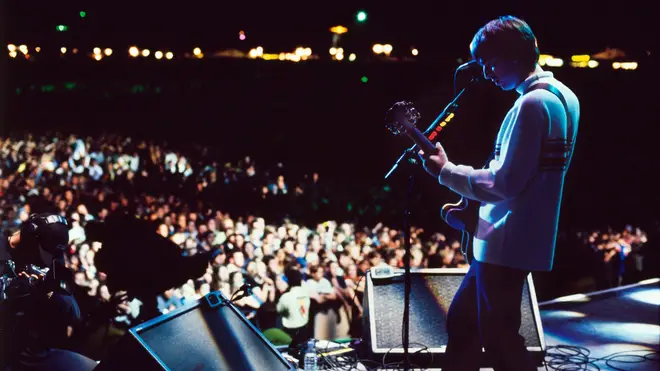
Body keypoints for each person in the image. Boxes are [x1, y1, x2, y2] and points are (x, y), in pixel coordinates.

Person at [418, 16, 580, 371]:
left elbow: (504, 183)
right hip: (513, 237)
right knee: (463, 324)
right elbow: (535, 177)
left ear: (515, 55)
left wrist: (445, 171)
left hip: (506, 241)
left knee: (501, 339)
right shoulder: (565, 97)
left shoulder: (532, 105)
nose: (486, 73)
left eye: (489, 62)